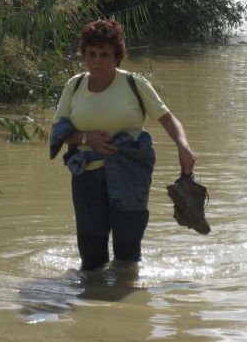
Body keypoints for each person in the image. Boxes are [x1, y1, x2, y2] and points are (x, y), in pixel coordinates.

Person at [51, 20, 197, 271]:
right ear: (83, 54)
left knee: (127, 257)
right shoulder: (74, 85)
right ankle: (92, 305)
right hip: (86, 178)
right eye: (91, 54)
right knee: (91, 258)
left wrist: (182, 146)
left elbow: (168, 119)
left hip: (130, 177)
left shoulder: (134, 84)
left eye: (104, 55)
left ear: (117, 56)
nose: (97, 61)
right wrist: (86, 138)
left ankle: (124, 303)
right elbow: (58, 131)